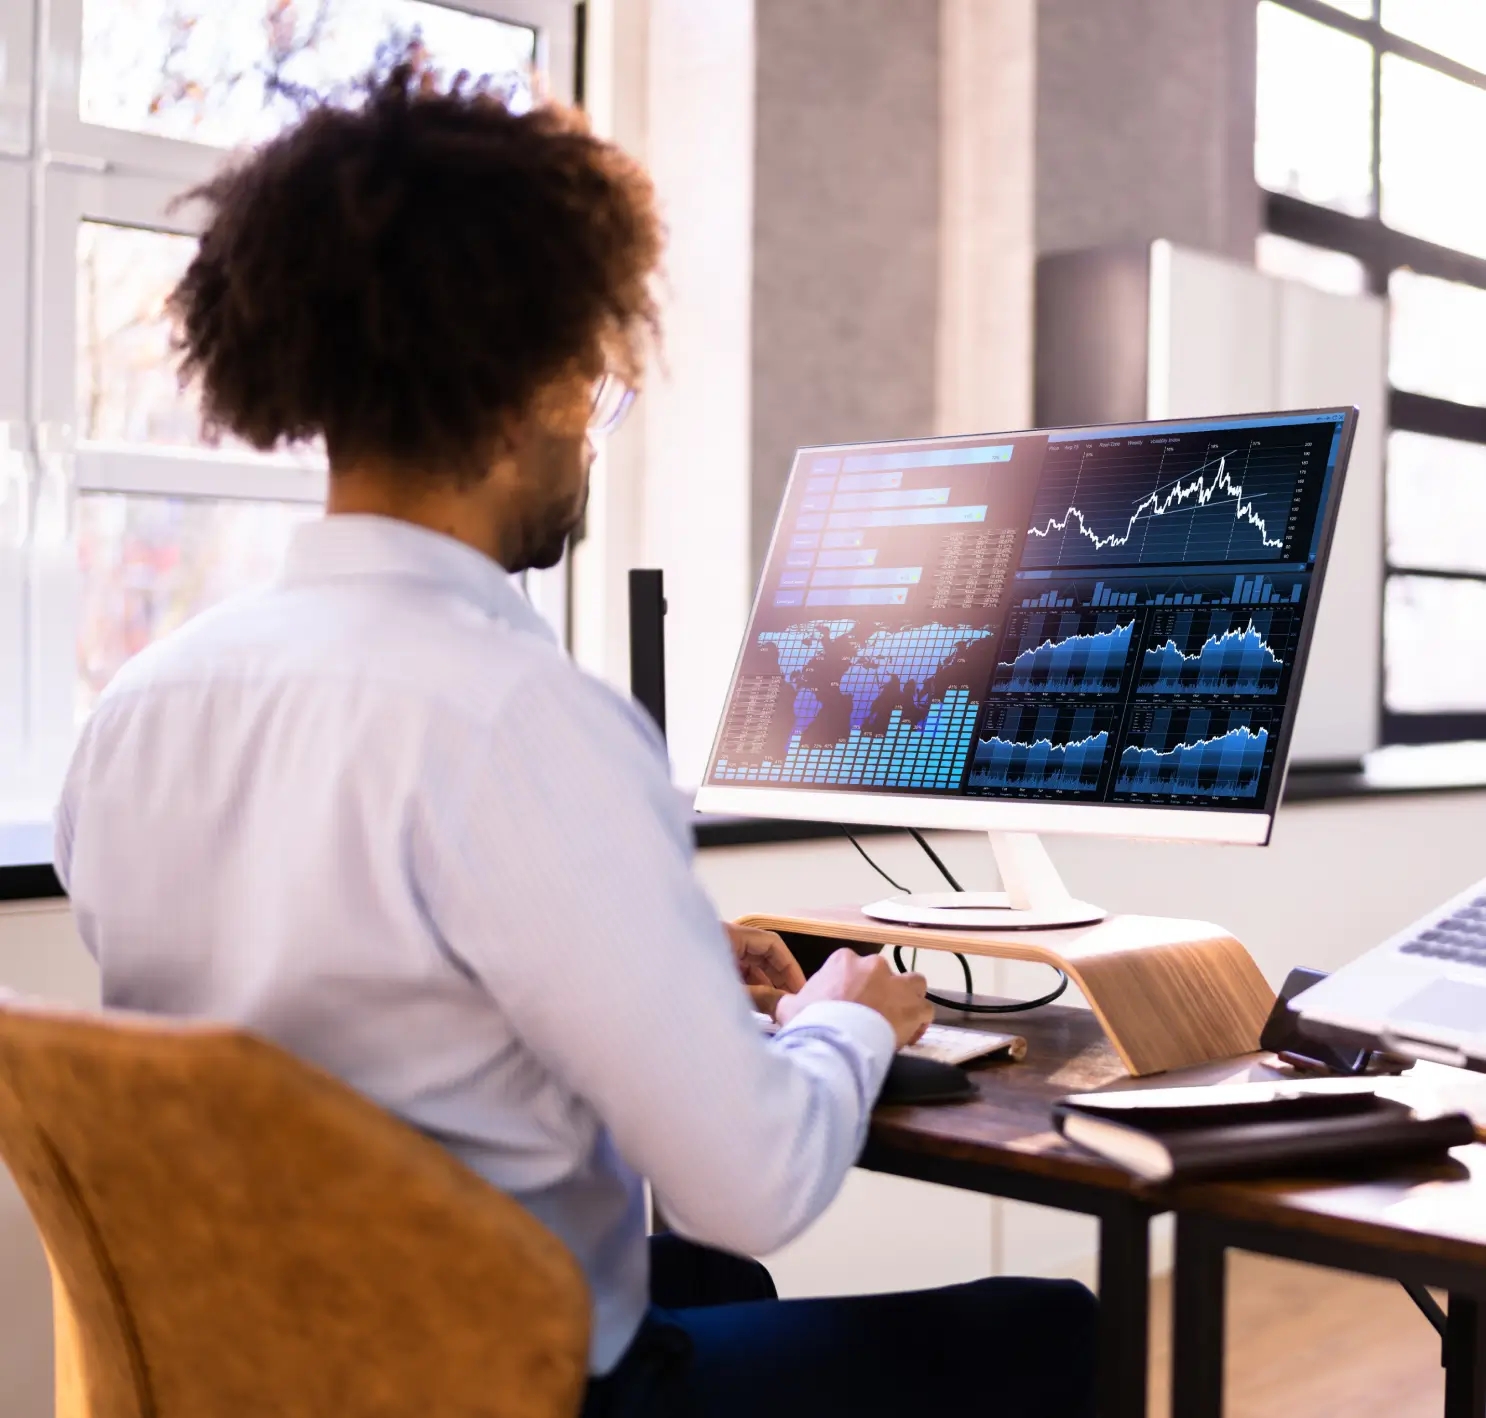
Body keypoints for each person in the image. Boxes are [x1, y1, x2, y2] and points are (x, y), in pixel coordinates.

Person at [55, 67, 1097, 1417]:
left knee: (714, 1295)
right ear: (527, 392)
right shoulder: (518, 716)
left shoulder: (144, 707)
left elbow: (328, 1015)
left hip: (257, 1364)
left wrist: (646, 963)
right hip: (499, 1382)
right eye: (590, 394)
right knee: (1052, 1331)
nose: (592, 440)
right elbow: (757, 1180)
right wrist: (845, 1021)